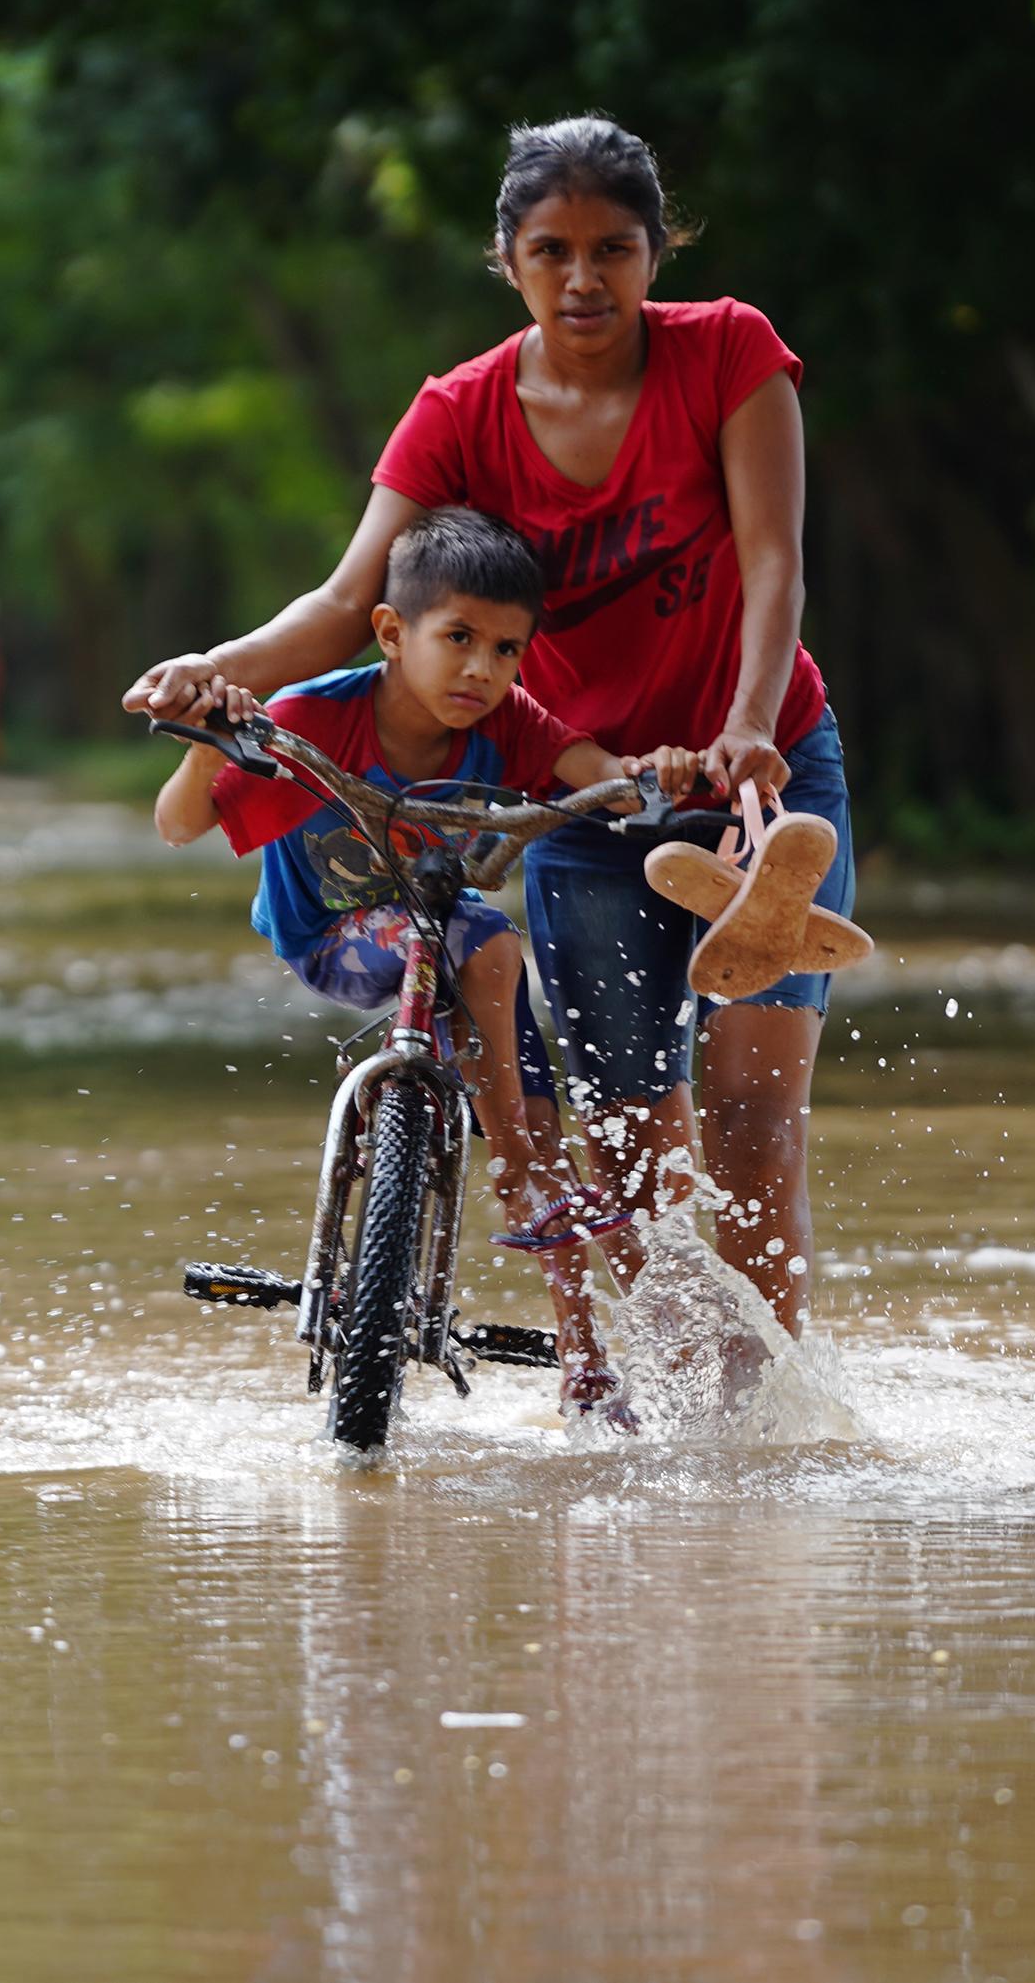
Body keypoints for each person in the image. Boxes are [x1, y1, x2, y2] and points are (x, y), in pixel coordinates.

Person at [125, 115, 849, 1336]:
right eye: (553, 249)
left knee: (751, 1121)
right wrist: (214, 666)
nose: (584, 279)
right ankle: (681, 1416)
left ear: (657, 251)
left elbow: (774, 561)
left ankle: (765, 1414)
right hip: (574, 792)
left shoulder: (729, 354)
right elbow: (354, 602)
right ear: (507, 257)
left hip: (760, 770)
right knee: (626, 1136)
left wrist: (746, 723)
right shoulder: (459, 412)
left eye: (614, 248)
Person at [152, 507, 698, 1422]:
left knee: (527, 1081)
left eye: (508, 649)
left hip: (459, 950)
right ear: (391, 633)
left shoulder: (505, 724)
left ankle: (584, 1356)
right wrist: (214, 737)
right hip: (337, 940)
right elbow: (178, 823)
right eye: (458, 639)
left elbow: (584, 760)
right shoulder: (313, 718)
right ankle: (515, 1166)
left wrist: (649, 771)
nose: (483, 669)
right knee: (474, 945)